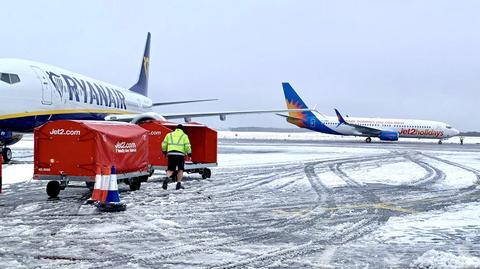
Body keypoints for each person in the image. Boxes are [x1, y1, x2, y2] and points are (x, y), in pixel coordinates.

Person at [161, 124, 192, 190]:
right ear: (182, 130)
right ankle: (178, 184)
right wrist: (189, 154)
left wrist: (164, 152)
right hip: (180, 155)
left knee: (170, 169)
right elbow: (187, 146)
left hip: (171, 154)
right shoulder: (184, 136)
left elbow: (164, 144)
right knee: (180, 169)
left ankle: (166, 179)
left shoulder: (169, 135)